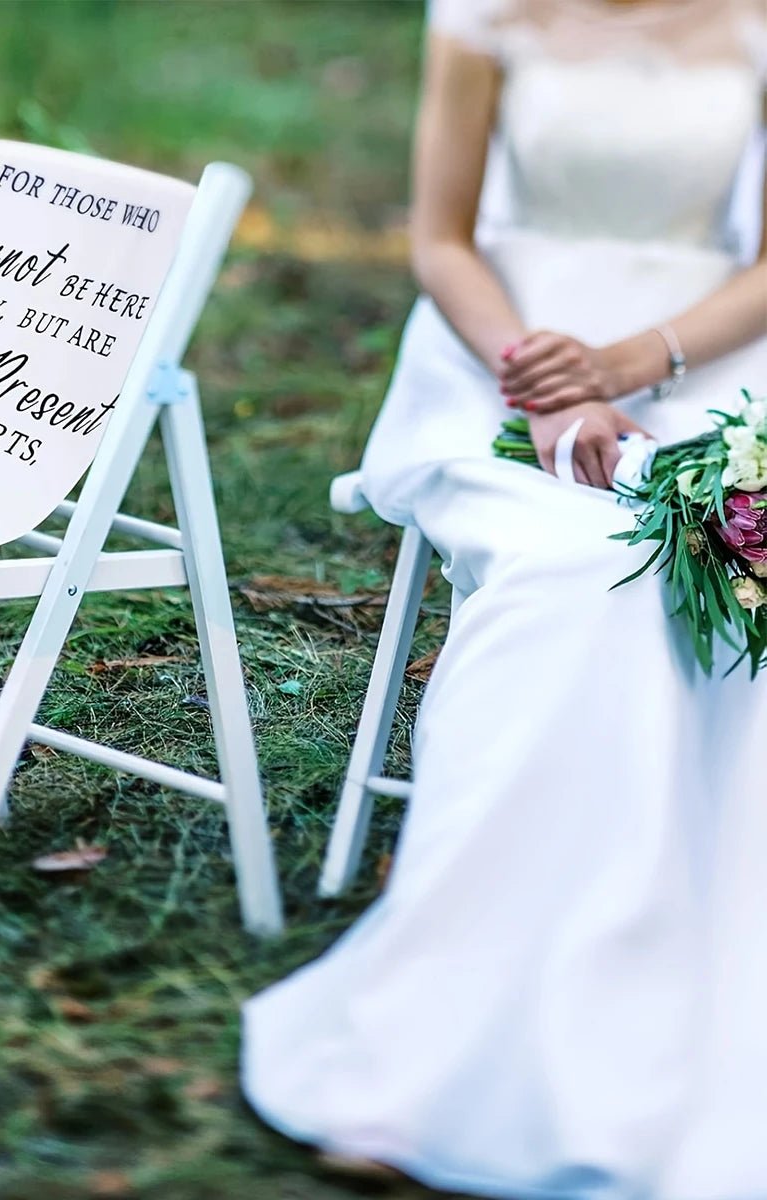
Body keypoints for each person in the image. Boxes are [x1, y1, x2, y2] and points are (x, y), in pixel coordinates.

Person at [242, 1, 767, 1196]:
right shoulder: (483, 12)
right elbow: (441, 239)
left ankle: (676, 986)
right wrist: (541, 383)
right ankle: (421, 1047)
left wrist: (636, 362)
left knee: (719, 588)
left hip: (702, 363)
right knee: (581, 575)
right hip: (499, 356)